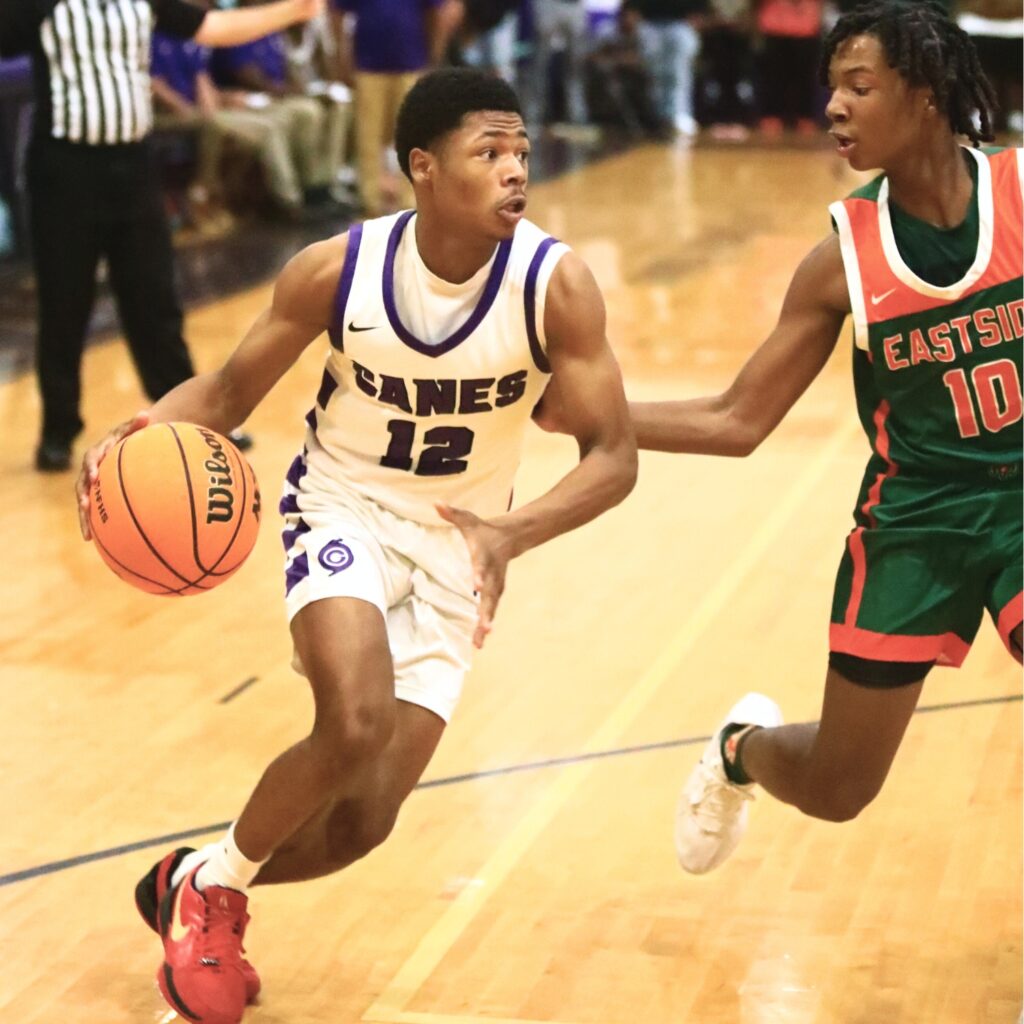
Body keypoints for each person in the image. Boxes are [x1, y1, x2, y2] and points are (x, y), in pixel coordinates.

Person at [76, 67, 637, 1024]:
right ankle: (214, 906)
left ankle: (200, 879)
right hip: (342, 510)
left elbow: (612, 457)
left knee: (361, 827)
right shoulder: (337, 270)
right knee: (356, 719)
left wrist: (512, 530)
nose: (516, 173)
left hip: (463, 546)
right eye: (489, 153)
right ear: (422, 167)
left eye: (522, 154)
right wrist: (132, 436)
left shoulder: (557, 285)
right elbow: (222, 396)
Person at [539, 0, 1022, 874]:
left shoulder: (1022, 193)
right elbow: (738, 420)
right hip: (917, 520)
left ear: (926, 94)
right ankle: (740, 748)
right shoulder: (841, 260)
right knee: (839, 788)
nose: (834, 106)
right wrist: (590, 413)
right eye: (830, 88)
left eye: (859, 86)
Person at [0, 0, 324, 472]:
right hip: (65, 171)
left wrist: (292, 11)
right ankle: (57, 431)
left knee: (154, 298)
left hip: (133, 168)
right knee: (64, 302)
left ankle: (190, 417)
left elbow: (212, 27)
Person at [332, 0, 461, 218]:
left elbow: (436, 13)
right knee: (368, 135)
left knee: (412, 135)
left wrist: (434, 56)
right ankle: (369, 201)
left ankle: (411, 200)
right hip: (367, 64)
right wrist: (341, 55)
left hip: (411, 62)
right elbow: (336, 11)